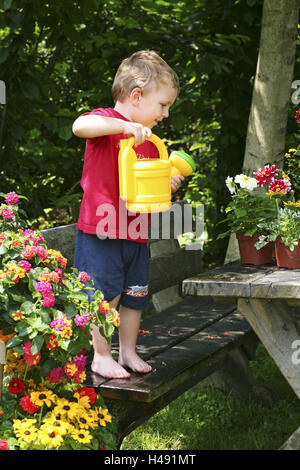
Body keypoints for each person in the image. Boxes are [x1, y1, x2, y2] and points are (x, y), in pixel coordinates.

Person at [72, 50, 184, 379]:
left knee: (135, 296)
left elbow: (146, 189)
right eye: (162, 105)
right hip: (101, 233)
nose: (165, 114)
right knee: (103, 296)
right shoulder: (106, 124)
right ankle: (100, 355)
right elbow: (80, 126)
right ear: (136, 96)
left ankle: (129, 352)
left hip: (135, 232)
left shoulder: (149, 141)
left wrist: (167, 184)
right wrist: (123, 126)